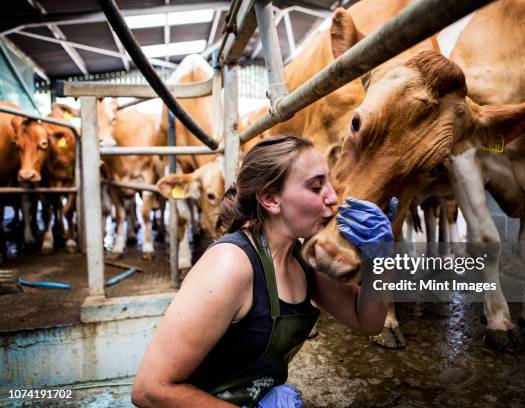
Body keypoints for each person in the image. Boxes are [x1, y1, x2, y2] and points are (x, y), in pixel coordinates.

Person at [131, 135, 396, 407]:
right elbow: (149, 389)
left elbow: (367, 321)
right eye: (317, 187)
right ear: (271, 199)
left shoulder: (301, 260)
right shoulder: (230, 266)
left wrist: (381, 258)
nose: (333, 197)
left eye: (329, 181)